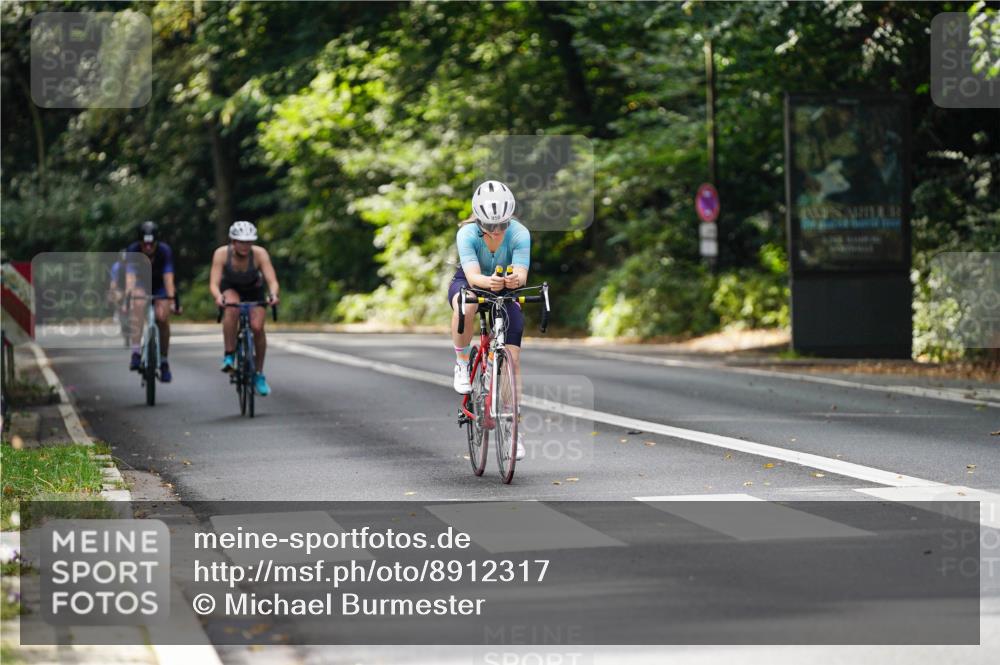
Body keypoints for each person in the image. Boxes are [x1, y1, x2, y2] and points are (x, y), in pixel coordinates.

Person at [448, 180, 530, 460]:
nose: (496, 232)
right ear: (478, 220)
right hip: (472, 281)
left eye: (502, 225)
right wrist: (489, 282)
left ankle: (512, 426)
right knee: (465, 304)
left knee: (513, 357)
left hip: (505, 287)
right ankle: (461, 362)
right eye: (489, 226)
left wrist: (514, 279)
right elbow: (472, 278)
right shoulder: (467, 234)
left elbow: (522, 274)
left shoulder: (520, 234)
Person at [209, 221, 280, 397]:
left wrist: (273, 295)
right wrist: (218, 296)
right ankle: (229, 355)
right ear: (233, 241)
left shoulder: (259, 254)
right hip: (231, 288)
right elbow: (214, 283)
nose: (245, 245)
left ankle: (259, 374)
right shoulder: (221, 254)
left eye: (249, 242)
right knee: (231, 308)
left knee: (257, 327)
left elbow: (272, 280)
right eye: (241, 241)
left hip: (254, 290)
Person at [125, 221, 180, 381]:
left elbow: (168, 278)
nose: (148, 247)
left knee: (162, 317)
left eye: (151, 244)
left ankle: (163, 361)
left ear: (156, 242)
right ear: (140, 242)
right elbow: (130, 277)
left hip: (159, 285)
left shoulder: (164, 251)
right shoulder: (133, 250)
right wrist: (129, 296)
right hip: (141, 284)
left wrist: (171, 301)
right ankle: (136, 352)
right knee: (138, 304)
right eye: (145, 244)